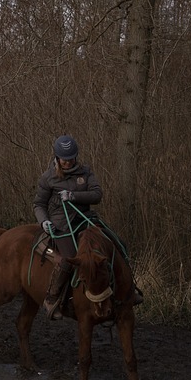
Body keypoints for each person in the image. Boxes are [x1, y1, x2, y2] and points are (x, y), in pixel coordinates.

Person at [33, 135, 142, 320]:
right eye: (64, 159)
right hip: (62, 225)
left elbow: (97, 195)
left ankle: (130, 289)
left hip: (86, 220)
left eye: (71, 158)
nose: (68, 162)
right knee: (70, 259)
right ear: (57, 158)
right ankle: (53, 297)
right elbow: (38, 204)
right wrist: (44, 221)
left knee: (118, 243)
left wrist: (73, 196)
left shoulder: (85, 172)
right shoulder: (48, 178)